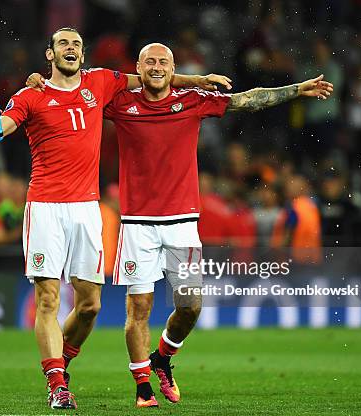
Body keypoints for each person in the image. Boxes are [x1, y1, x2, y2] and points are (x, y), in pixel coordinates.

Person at [0, 28, 227, 410]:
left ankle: (62, 363)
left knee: (91, 305)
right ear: (50, 54)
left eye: (77, 43)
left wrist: (198, 80)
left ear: (83, 52)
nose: (71, 49)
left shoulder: (100, 81)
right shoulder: (31, 95)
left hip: (86, 209)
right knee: (48, 300)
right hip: (44, 206)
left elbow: (151, 77)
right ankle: (57, 383)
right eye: (63, 43)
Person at [102, 43, 333, 407]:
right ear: (139, 67)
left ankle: (162, 358)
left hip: (181, 222)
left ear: (173, 67)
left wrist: (295, 90)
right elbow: (76, 94)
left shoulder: (192, 101)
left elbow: (247, 100)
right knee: (138, 310)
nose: (157, 67)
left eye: (163, 61)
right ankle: (142, 385)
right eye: (150, 61)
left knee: (191, 305)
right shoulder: (119, 104)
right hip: (137, 224)